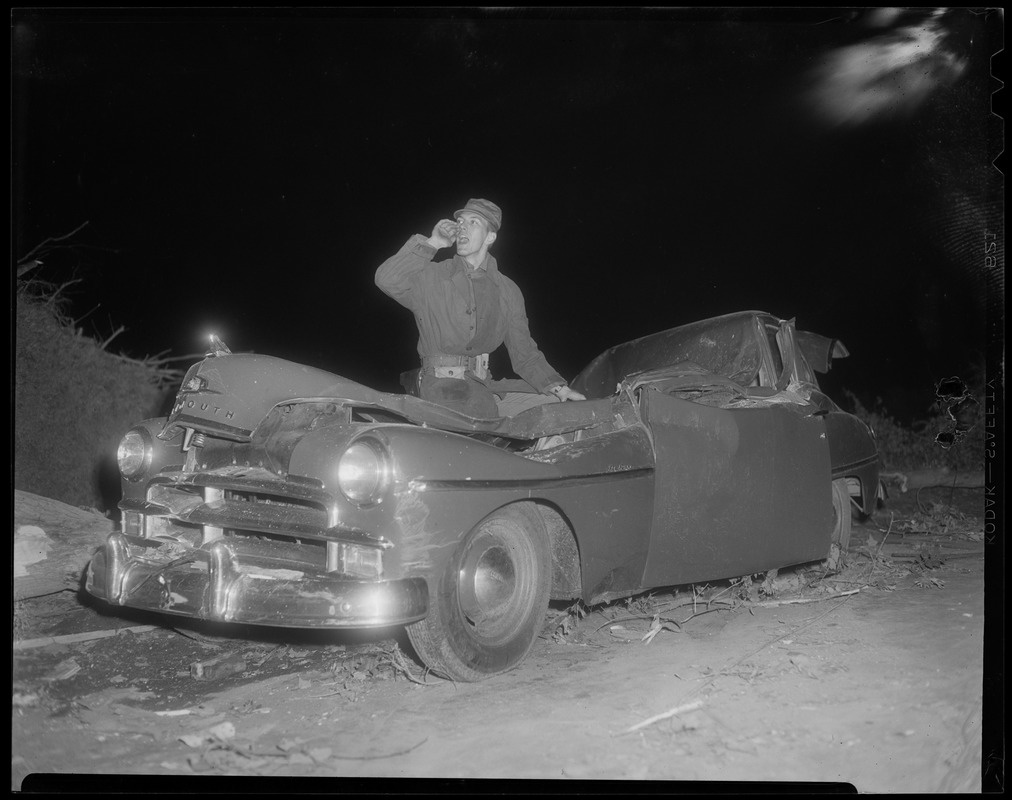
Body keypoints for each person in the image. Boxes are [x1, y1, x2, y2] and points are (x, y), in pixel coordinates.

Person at [375, 198, 585, 417]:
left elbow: (525, 353)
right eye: (461, 221)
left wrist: (559, 388)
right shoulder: (432, 277)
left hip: (484, 384)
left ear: (490, 237)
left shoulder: (507, 290)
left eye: (473, 222)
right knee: (479, 419)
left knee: (560, 409)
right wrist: (433, 243)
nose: (463, 226)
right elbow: (387, 280)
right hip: (440, 388)